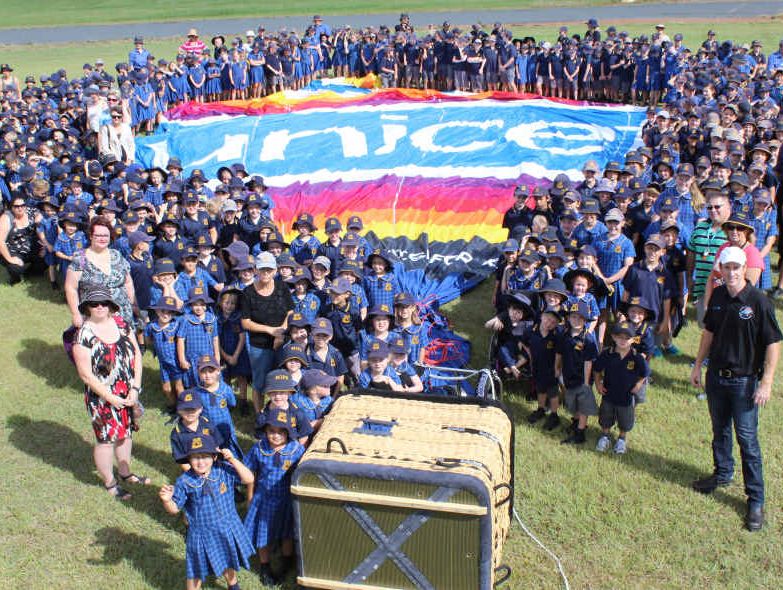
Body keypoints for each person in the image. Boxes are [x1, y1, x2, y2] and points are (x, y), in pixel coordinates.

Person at [690, 246, 781, 532]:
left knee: (747, 441)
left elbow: (773, 343)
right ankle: (722, 474)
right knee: (720, 431)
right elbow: (709, 332)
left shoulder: (759, 301)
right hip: (716, 378)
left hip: (744, 382)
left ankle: (755, 500)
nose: (731, 272)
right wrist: (697, 365)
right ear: (721, 268)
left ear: (745, 269)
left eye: (736, 267)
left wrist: (766, 382)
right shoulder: (717, 295)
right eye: (726, 267)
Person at [72, 285, 147, 500]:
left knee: (126, 432)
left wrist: (135, 388)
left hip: (127, 391)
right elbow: (86, 375)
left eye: (104, 303)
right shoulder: (83, 335)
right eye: (94, 304)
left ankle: (126, 473)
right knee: (106, 439)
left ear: (111, 305)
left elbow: (137, 356)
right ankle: (110, 483)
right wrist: (111, 398)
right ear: (87, 307)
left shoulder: (122, 324)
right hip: (102, 397)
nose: (99, 307)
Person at [159, 434, 255, 590]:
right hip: (201, 534)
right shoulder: (184, 481)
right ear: (188, 459)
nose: (201, 462)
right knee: (196, 570)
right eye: (196, 457)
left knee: (227, 558)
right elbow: (174, 509)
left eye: (205, 456)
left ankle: (233, 585)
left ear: (214, 457)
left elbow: (249, 478)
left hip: (226, 527)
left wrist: (232, 459)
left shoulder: (223, 470)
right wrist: (166, 500)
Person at [244, 411, 306, 585]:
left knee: (286, 533)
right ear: (265, 430)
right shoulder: (259, 448)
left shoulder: (296, 450)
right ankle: (265, 565)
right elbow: (250, 473)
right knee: (262, 533)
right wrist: (250, 496)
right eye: (271, 431)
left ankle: (287, 561)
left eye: (281, 432)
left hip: (286, 499)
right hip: (263, 498)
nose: (275, 436)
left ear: (288, 433)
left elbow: (302, 475)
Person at [241, 251, 294, 410]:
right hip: (259, 345)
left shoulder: (282, 287)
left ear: (275, 271)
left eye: (269, 270)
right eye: (262, 269)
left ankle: (282, 412)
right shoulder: (248, 293)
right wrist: (270, 331)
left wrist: (281, 333)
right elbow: (245, 322)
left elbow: (290, 312)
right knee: (259, 382)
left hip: (282, 342)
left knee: (283, 380)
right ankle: (260, 416)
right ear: (256, 269)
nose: (265, 273)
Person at [65, 216, 136, 329]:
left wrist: (131, 303)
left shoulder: (116, 255)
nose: (102, 239)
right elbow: (71, 288)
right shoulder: (81, 258)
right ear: (91, 236)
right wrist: (75, 314)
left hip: (122, 314)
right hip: (94, 316)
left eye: (105, 235)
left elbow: (128, 282)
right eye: (98, 235)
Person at [0, 195, 42, 284]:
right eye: (16, 206)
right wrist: (10, 258)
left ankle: (28, 272)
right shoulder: (6, 218)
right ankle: (15, 278)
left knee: (46, 259)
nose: (20, 208)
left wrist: (39, 216)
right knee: (15, 268)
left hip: (31, 246)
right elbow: (1, 241)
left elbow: (38, 211)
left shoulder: (30, 211)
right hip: (14, 249)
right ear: (11, 207)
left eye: (22, 205)